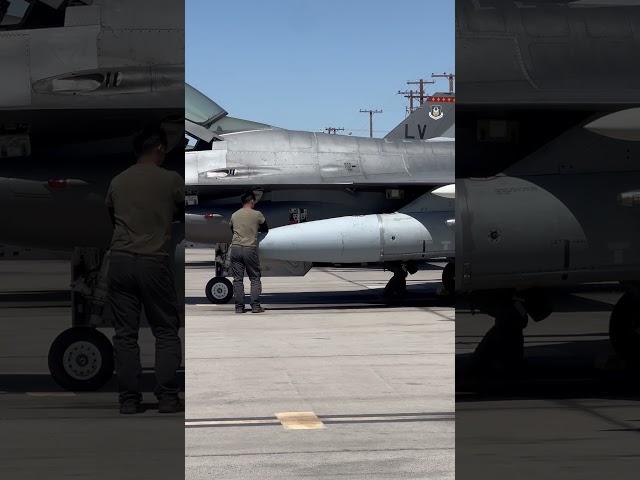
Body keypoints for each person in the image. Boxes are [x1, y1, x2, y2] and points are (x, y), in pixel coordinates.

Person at [105, 125, 184, 414]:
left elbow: (111, 216)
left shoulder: (118, 180)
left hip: (121, 260)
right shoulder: (170, 179)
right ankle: (166, 397)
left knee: (125, 334)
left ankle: (128, 400)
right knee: (165, 330)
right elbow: (181, 209)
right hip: (153, 261)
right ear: (160, 149)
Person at [229, 192, 268, 314]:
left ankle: (239, 307)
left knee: (237, 279)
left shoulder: (234, 215)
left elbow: (231, 229)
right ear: (251, 201)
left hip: (235, 248)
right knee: (255, 277)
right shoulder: (257, 214)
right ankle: (255, 306)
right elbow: (265, 228)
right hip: (249, 248)